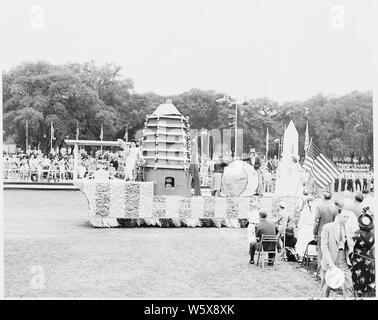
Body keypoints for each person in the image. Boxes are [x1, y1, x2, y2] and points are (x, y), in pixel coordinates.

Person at [320, 209, 355, 297]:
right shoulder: (327, 227)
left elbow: (350, 245)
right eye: (344, 216)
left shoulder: (348, 228)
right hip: (330, 259)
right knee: (326, 286)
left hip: (343, 259)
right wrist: (330, 263)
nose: (346, 219)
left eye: (348, 217)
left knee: (349, 285)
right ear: (338, 216)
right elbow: (324, 247)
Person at [350, 212, 375, 297]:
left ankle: (358, 294)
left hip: (358, 260)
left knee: (357, 280)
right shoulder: (372, 234)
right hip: (369, 258)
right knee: (367, 278)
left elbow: (350, 245)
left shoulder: (357, 234)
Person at [313, 192, 338, 266]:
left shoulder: (320, 206)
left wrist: (314, 232)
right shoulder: (334, 207)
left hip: (321, 232)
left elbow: (316, 221)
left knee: (320, 252)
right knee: (329, 252)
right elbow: (335, 221)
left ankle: (320, 270)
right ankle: (327, 270)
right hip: (331, 233)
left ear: (323, 197)